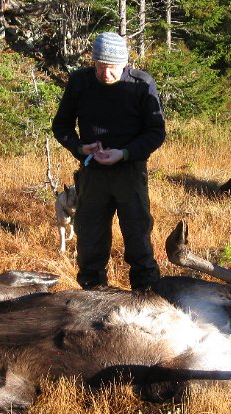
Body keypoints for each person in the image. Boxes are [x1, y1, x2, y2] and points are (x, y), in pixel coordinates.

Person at [52, 32, 165, 292]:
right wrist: (81, 148)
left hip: (130, 173)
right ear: (93, 62)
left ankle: (146, 298)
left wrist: (124, 153)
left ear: (124, 63)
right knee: (90, 245)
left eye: (112, 68)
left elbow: (156, 132)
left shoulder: (141, 84)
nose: (105, 74)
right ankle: (93, 299)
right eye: (100, 67)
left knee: (139, 242)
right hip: (92, 175)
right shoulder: (80, 82)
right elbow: (61, 126)